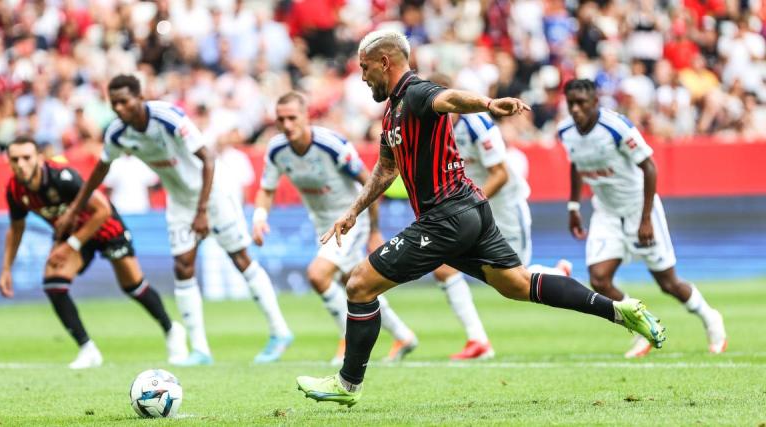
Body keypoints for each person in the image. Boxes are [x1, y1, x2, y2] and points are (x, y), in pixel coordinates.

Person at [296, 30, 666, 407]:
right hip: (468, 210)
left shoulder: (417, 92)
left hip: (446, 216)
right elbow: (386, 169)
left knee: (359, 284)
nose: (362, 76)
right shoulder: (392, 111)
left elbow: (450, 98)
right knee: (518, 285)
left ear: (385, 62)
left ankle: (347, 383)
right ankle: (621, 311)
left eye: (365, 67)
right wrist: (353, 212)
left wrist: (489, 104)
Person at [56, 75, 293, 365]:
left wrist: (202, 210)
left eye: (124, 101)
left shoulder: (168, 118)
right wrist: (74, 209)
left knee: (240, 257)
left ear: (139, 98)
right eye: (113, 103)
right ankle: (200, 349)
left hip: (213, 191)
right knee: (182, 267)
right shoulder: (118, 133)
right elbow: (101, 170)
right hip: (179, 200)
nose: (119, 108)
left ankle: (279, 331)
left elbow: (207, 159)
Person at [559, 79, 727, 358]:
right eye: (571, 103)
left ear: (595, 102)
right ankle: (642, 326)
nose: (575, 109)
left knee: (668, 283)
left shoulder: (616, 127)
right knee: (599, 279)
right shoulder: (566, 131)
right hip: (607, 212)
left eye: (581, 103)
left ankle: (711, 318)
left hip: (639, 208)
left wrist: (646, 218)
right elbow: (576, 163)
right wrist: (574, 206)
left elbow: (649, 166)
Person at [253, 92, 418, 365]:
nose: (287, 124)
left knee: (317, 275)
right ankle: (403, 335)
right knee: (354, 284)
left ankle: (347, 337)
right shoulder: (276, 149)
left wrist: (373, 229)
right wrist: (259, 217)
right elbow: (266, 189)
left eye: (293, 118)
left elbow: (371, 183)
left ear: (306, 117)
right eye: (281, 119)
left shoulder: (332, 145)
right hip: (323, 225)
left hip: (351, 219)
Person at [0, 136, 187, 369]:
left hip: (105, 227)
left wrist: (71, 246)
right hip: (72, 233)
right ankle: (88, 349)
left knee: (133, 286)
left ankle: (171, 329)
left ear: (39, 158)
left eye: (26, 158)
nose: (21, 164)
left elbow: (102, 210)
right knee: (52, 283)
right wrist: (6, 268)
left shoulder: (62, 178)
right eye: (15, 159)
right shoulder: (15, 190)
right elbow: (16, 229)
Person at [427, 73, 573, 361]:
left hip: (504, 204)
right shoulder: (430, 128)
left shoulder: (477, 124)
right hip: (471, 206)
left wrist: (465, 204)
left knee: (519, 279)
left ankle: (559, 274)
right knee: (443, 267)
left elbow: (501, 174)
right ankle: (478, 340)